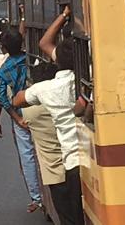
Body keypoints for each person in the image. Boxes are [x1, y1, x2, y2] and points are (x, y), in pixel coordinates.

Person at [13, 38, 84, 225]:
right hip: (84, 158)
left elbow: (16, 101)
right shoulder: (86, 81)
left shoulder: (41, 97)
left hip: (62, 168)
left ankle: (36, 198)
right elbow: (46, 44)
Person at [0, 28, 42, 213]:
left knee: (27, 155)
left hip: (22, 113)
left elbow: (3, 99)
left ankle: (36, 199)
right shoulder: (32, 58)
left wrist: (16, 119)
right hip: (42, 106)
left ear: (4, 48)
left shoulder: (3, 71)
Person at [21, 61, 70, 224]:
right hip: (74, 165)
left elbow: (16, 101)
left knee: (66, 215)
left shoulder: (29, 111)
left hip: (54, 174)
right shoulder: (66, 101)